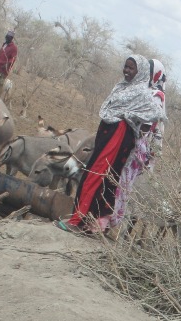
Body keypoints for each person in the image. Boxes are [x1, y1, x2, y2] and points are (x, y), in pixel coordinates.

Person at [56, 54, 164, 236]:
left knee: (96, 175)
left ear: (141, 72)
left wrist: (128, 117)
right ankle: (87, 223)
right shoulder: (122, 86)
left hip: (118, 136)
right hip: (107, 134)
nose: (126, 71)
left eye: (131, 68)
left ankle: (78, 221)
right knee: (96, 176)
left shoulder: (142, 93)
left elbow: (155, 114)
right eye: (126, 66)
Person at [103, 58, 167, 232]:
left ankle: (108, 222)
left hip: (135, 145)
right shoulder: (143, 90)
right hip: (128, 141)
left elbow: (147, 125)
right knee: (116, 180)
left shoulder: (156, 96)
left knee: (121, 184)